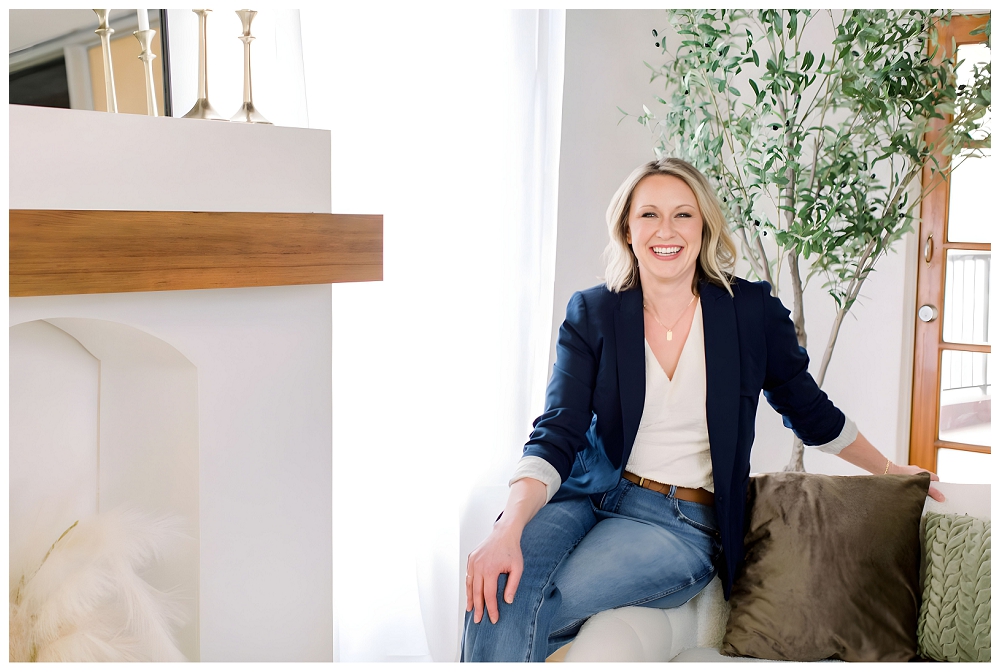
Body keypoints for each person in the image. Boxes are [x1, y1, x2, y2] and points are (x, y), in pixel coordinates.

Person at [461, 157, 943, 663]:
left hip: (680, 519)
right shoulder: (594, 312)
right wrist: (506, 528)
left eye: (682, 215)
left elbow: (811, 411)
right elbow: (558, 430)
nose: (664, 231)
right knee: (495, 586)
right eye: (648, 215)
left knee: (530, 600)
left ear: (705, 225)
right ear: (627, 228)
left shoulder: (750, 312)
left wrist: (891, 471)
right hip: (587, 494)